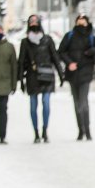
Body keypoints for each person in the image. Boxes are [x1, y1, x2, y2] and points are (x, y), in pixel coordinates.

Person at [18, 14, 64, 143]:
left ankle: (45, 130)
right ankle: (36, 133)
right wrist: (20, 79)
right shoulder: (25, 42)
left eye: (35, 21)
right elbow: (21, 61)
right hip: (32, 77)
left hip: (47, 76)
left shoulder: (48, 40)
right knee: (33, 106)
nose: (33, 23)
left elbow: (55, 57)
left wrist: (61, 74)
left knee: (46, 103)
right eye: (31, 21)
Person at [58, 14, 95, 141]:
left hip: (86, 73)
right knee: (76, 103)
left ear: (87, 23)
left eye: (83, 22)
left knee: (83, 103)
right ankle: (81, 130)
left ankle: (87, 131)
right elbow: (61, 52)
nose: (81, 24)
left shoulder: (91, 38)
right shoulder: (69, 36)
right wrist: (69, 63)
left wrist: (92, 51)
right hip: (72, 74)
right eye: (79, 22)